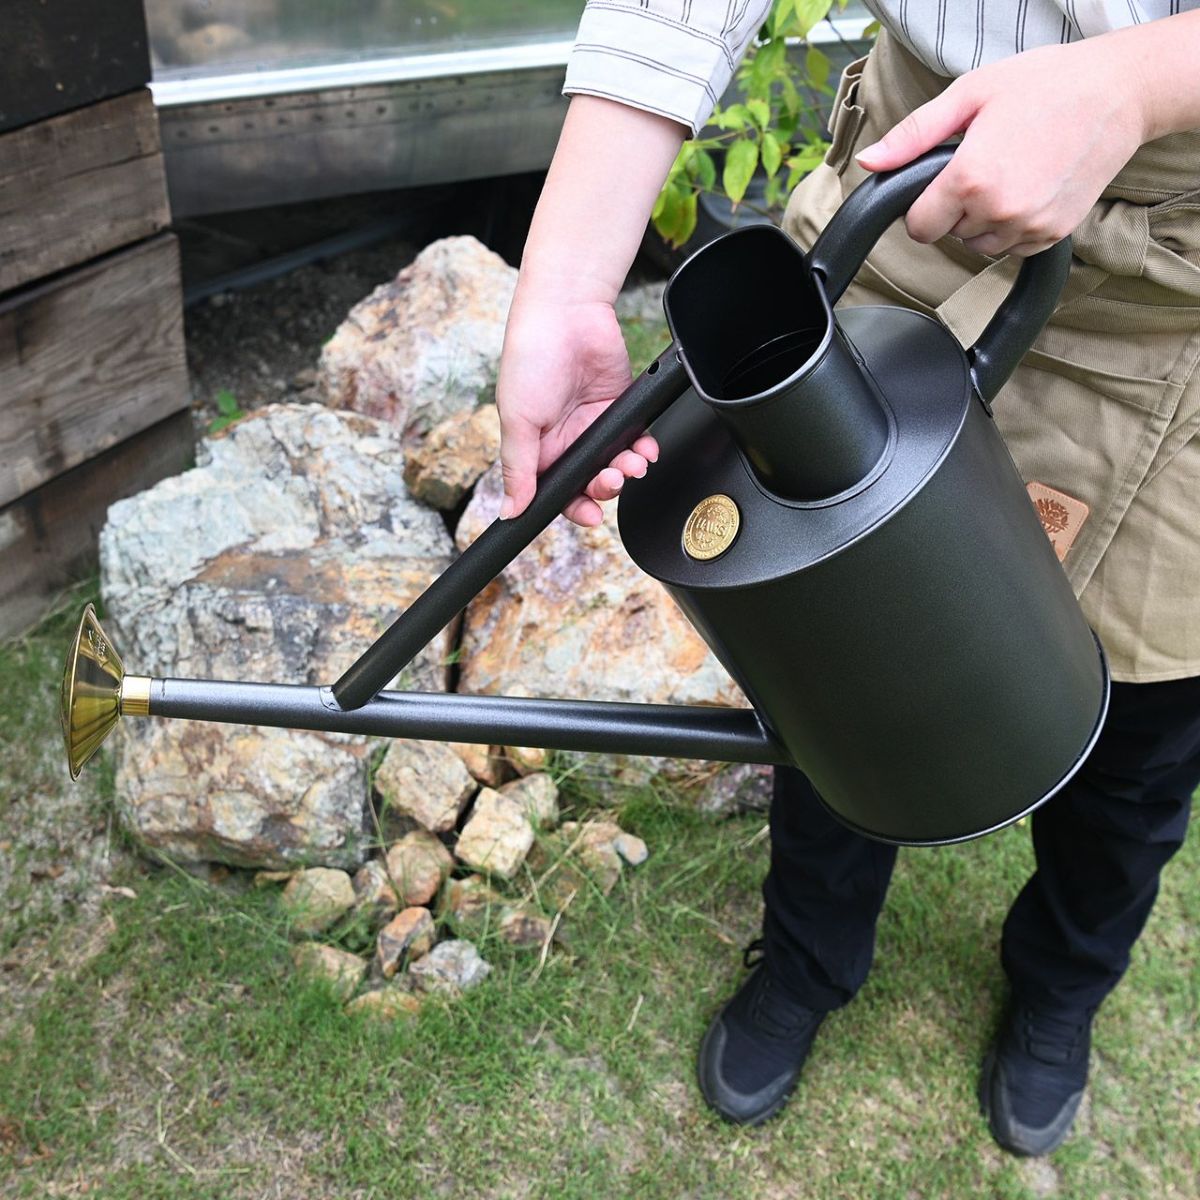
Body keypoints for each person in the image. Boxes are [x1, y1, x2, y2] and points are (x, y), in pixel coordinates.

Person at [494, 0, 1200, 1156]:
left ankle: (1063, 984)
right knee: (838, 676)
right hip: (913, 213)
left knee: (1143, 739)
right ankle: (808, 963)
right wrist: (567, 284)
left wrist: (1141, 83)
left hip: (1182, 310)